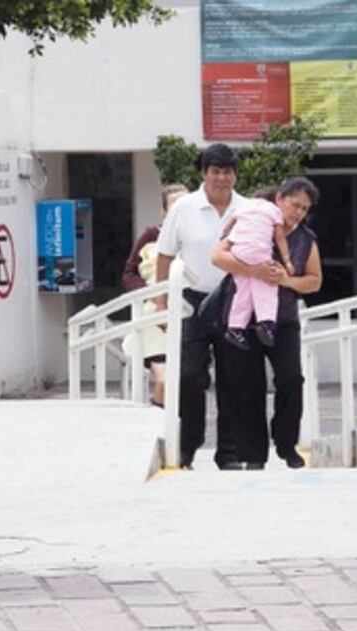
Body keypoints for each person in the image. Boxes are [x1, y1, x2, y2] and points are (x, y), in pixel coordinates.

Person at [211, 177, 322, 470]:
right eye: (295, 204)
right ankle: (253, 455)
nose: (298, 212)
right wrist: (254, 270)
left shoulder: (305, 239)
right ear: (279, 199)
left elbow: (314, 281)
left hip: (282, 321)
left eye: (304, 208)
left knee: (291, 379)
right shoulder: (251, 220)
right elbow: (218, 257)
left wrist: (285, 279)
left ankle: (286, 445)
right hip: (242, 320)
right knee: (247, 387)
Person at [154, 144, 249, 470]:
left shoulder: (247, 208)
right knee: (190, 376)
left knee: (233, 378)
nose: (222, 178)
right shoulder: (184, 208)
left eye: (228, 171)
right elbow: (165, 255)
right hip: (191, 300)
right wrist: (160, 300)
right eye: (215, 171)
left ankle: (230, 452)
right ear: (203, 173)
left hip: (236, 300)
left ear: (235, 174)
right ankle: (188, 447)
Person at [121, 183, 188, 406]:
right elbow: (129, 273)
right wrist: (149, 293)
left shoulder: (196, 237)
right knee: (164, 382)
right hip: (154, 319)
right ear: (164, 210)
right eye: (174, 204)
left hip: (187, 316)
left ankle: (169, 426)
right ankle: (162, 423)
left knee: (185, 384)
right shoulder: (151, 236)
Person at [220, 195, 297, 350]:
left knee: (244, 290)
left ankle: (235, 327)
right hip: (258, 249)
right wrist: (287, 261)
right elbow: (280, 238)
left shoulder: (244, 205)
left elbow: (229, 223)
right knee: (267, 282)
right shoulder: (274, 210)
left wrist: (224, 235)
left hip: (238, 250)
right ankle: (266, 322)